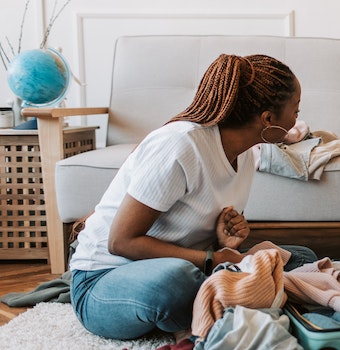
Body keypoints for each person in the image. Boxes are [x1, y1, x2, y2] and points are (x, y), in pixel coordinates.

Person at [68, 54, 317, 341]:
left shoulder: (246, 155)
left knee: (300, 258)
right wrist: (214, 259)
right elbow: (121, 241)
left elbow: (189, 236)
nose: (298, 118)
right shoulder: (180, 144)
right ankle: (240, 298)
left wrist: (224, 243)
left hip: (190, 268)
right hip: (103, 280)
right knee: (176, 283)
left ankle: (233, 297)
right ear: (268, 119)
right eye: (295, 111)